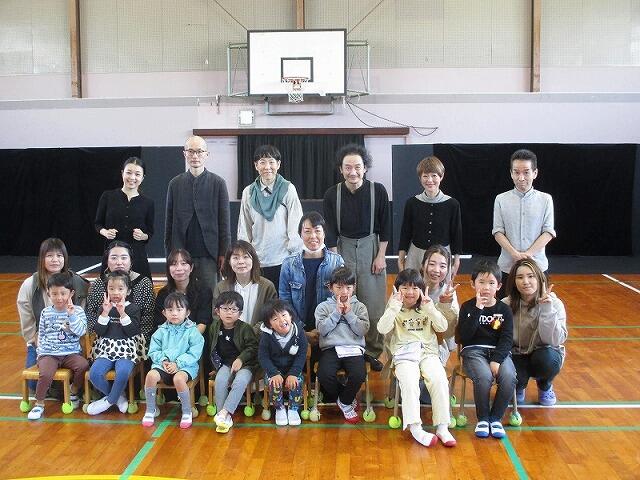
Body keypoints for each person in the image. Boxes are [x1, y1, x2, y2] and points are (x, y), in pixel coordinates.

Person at [323, 144, 389, 371]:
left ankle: (373, 350)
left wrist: (381, 255)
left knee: (373, 305)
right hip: (343, 248)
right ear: (341, 169)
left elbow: (386, 225)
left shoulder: (378, 191)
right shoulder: (332, 194)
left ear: (365, 168)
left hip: (371, 248)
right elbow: (330, 230)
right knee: (344, 301)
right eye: (348, 167)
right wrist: (336, 260)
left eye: (357, 167)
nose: (353, 172)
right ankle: (348, 348)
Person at [377, 269, 456, 447]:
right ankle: (415, 428)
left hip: (427, 353)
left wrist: (430, 308)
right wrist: (394, 307)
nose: (410, 292)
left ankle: (442, 427)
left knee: (439, 379)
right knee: (410, 382)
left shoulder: (427, 306)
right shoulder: (395, 308)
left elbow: (442, 327)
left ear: (421, 289)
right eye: (405, 288)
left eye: (415, 288)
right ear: (397, 290)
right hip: (404, 356)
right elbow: (382, 329)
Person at [18, 238, 88, 392]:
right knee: (34, 383)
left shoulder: (77, 282)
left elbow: (83, 315)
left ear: (65, 258)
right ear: (42, 259)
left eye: (59, 255)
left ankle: (66, 389)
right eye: (49, 255)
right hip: (42, 344)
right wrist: (35, 338)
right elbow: (25, 314)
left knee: (79, 374)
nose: (55, 260)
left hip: (70, 344)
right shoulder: (30, 284)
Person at [456, 260, 516, 439]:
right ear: (472, 284)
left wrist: (497, 359)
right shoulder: (467, 307)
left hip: (499, 353)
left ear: (499, 286)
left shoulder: (504, 310)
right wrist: (478, 309)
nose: (486, 287)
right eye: (481, 282)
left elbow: (507, 338)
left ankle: (495, 418)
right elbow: (465, 336)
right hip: (473, 351)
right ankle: (483, 418)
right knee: (484, 377)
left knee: (509, 377)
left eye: (491, 283)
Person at [165, 135, 231, 293]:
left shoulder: (218, 183)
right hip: (181, 254)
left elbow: (224, 223)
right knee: (181, 297)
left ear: (206, 154)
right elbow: (169, 223)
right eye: (191, 151)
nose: (195, 156)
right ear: (184, 154)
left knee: (210, 296)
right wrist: (169, 254)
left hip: (209, 254)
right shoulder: (175, 183)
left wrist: (224, 253)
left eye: (199, 151)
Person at [279, 211, 344, 361]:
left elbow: (343, 298)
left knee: (326, 371)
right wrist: (301, 330)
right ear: (300, 234)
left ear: (324, 233)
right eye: (307, 231)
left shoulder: (337, 262)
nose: (313, 236)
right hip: (297, 331)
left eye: (317, 231)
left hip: (329, 331)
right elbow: (284, 302)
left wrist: (323, 327)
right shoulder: (288, 264)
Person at [237, 144, 304, 289]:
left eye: (271, 162)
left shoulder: (288, 189)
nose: (267, 167)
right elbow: (244, 226)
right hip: (257, 259)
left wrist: (294, 255)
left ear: (278, 164)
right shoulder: (248, 192)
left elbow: (296, 224)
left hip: (283, 259)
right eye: (262, 162)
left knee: (282, 301)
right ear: (256, 166)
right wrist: (244, 255)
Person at [503, 259, 567, 406]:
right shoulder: (506, 304)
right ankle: (519, 386)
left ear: (539, 278)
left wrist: (547, 310)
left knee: (547, 360)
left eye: (531, 276)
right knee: (512, 375)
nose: (525, 281)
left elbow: (554, 340)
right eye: (520, 277)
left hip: (544, 352)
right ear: (514, 281)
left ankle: (545, 385)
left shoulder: (555, 303)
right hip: (517, 353)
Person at [493, 148, 556, 298]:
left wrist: (528, 254)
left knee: (538, 307)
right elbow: (498, 232)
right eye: (516, 172)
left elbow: (548, 232)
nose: (521, 178)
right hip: (508, 267)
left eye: (526, 172)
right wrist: (514, 254)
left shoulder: (545, 199)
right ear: (511, 173)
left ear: (535, 173)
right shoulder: (501, 199)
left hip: (537, 266)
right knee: (505, 308)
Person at [27, 272, 89, 420]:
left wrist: (72, 315)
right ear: (49, 294)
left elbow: (81, 331)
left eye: (63, 293)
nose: (59, 298)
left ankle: (73, 391)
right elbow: (41, 334)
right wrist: (40, 353)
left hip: (70, 353)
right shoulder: (46, 312)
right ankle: (39, 403)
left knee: (83, 365)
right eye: (54, 294)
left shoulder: (78, 311)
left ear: (71, 293)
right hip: (49, 354)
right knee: (45, 373)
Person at [315, 266, 369, 423]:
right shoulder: (323, 307)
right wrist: (336, 313)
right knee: (324, 374)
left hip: (354, 348)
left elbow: (362, 330)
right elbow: (322, 330)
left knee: (359, 374)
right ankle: (346, 398)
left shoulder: (359, 307)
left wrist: (349, 313)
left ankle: (345, 401)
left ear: (354, 287)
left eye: (348, 287)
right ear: (331, 288)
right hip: (331, 349)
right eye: (339, 287)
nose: (344, 292)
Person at [142, 292, 204, 429]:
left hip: (185, 367)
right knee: (151, 376)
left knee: (178, 379)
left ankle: (187, 411)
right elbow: (153, 350)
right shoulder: (160, 331)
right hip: (163, 365)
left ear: (187, 312)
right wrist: (163, 360)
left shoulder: (193, 331)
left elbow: (194, 353)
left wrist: (178, 364)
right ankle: (151, 409)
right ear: (164, 313)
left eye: (179, 309)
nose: (174, 313)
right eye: (170, 310)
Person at [86, 241, 155, 359]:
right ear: (107, 261)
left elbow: (148, 318)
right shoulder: (98, 283)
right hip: (104, 342)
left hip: (135, 342)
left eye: (124, 257)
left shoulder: (144, 283)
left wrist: (137, 340)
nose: (119, 262)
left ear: (131, 261)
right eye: (114, 258)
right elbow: (91, 315)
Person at [398, 156, 462, 280]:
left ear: (441, 176)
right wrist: (401, 258)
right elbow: (405, 232)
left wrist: (457, 260)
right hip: (416, 255)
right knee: (413, 288)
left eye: (434, 175)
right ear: (420, 178)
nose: (430, 180)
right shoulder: (412, 203)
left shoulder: (452, 204)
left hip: (442, 257)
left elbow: (456, 234)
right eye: (425, 176)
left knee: (441, 290)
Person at [87, 270, 141, 415]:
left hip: (126, 350)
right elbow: (99, 330)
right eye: (111, 288)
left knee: (122, 372)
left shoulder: (133, 308)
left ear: (128, 291)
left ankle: (109, 401)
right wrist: (105, 313)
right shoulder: (104, 307)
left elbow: (132, 331)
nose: (115, 292)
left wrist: (122, 313)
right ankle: (118, 398)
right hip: (106, 349)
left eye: (120, 288)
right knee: (94, 374)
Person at [95, 156, 155, 279]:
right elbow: (98, 223)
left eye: (137, 174)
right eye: (128, 172)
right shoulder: (108, 196)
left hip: (137, 255)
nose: (132, 177)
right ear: (122, 173)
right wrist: (105, 232)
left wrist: (143, 236)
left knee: (141, 288)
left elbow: (150, 232)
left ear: (143, 178)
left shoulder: (148, 202)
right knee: (111, 287)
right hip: (113, 253)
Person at [209, 291, 259, 434]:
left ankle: (224, 412)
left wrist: (241, 359)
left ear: (240, 313)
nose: (229, 312)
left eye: (233, 309)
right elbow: (213, 349)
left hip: (247, 364)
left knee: (240, 380)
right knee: (220, 380)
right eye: (225, 308)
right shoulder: (214, 327)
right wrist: (215, 367)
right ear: (217, 311)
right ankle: (224, 417)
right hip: (225, 363)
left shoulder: (245, 328)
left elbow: (253, 348)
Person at [258, 299, 308, 426]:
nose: (281, 320)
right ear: (269, 324)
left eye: (284, 315)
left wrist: (294, 373)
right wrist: (273, 373)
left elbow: (301, 355)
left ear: (290, 316)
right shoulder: (266, 336)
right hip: (274, 370)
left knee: (297, 381)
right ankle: (279, 408)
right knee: (274, 382)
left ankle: (293, 409)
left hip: (293, 369)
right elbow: (263, 357)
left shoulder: (299, 332)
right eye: (275, 319)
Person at [213, 240, 277, 330]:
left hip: (259, 336)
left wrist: (250, 334)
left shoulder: (267, 286)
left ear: (253, 260)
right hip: (229, 336)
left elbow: (271, 316)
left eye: (246, 257)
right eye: (235, 258)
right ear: (229, 262)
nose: (241, 262)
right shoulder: (221, 287)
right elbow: (216, 316)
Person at [155, 249, 212, 335]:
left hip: (195, 339)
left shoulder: (204, 291)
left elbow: (203, 323)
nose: (179, 268)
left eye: (183, 263)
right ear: (168, 269)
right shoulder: (163, 294)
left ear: (191, 267)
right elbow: (160, 324)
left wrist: (186, 340)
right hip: (170, 339)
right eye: (174, 264)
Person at [421, 245, 460, 364]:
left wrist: (445, 305)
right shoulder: (411, 288)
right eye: (432, 264)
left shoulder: (449, 293)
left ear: (448, 270)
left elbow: (450, 331)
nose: (436, 270)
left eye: (442, 266)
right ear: (422, 265)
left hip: (438, 345)